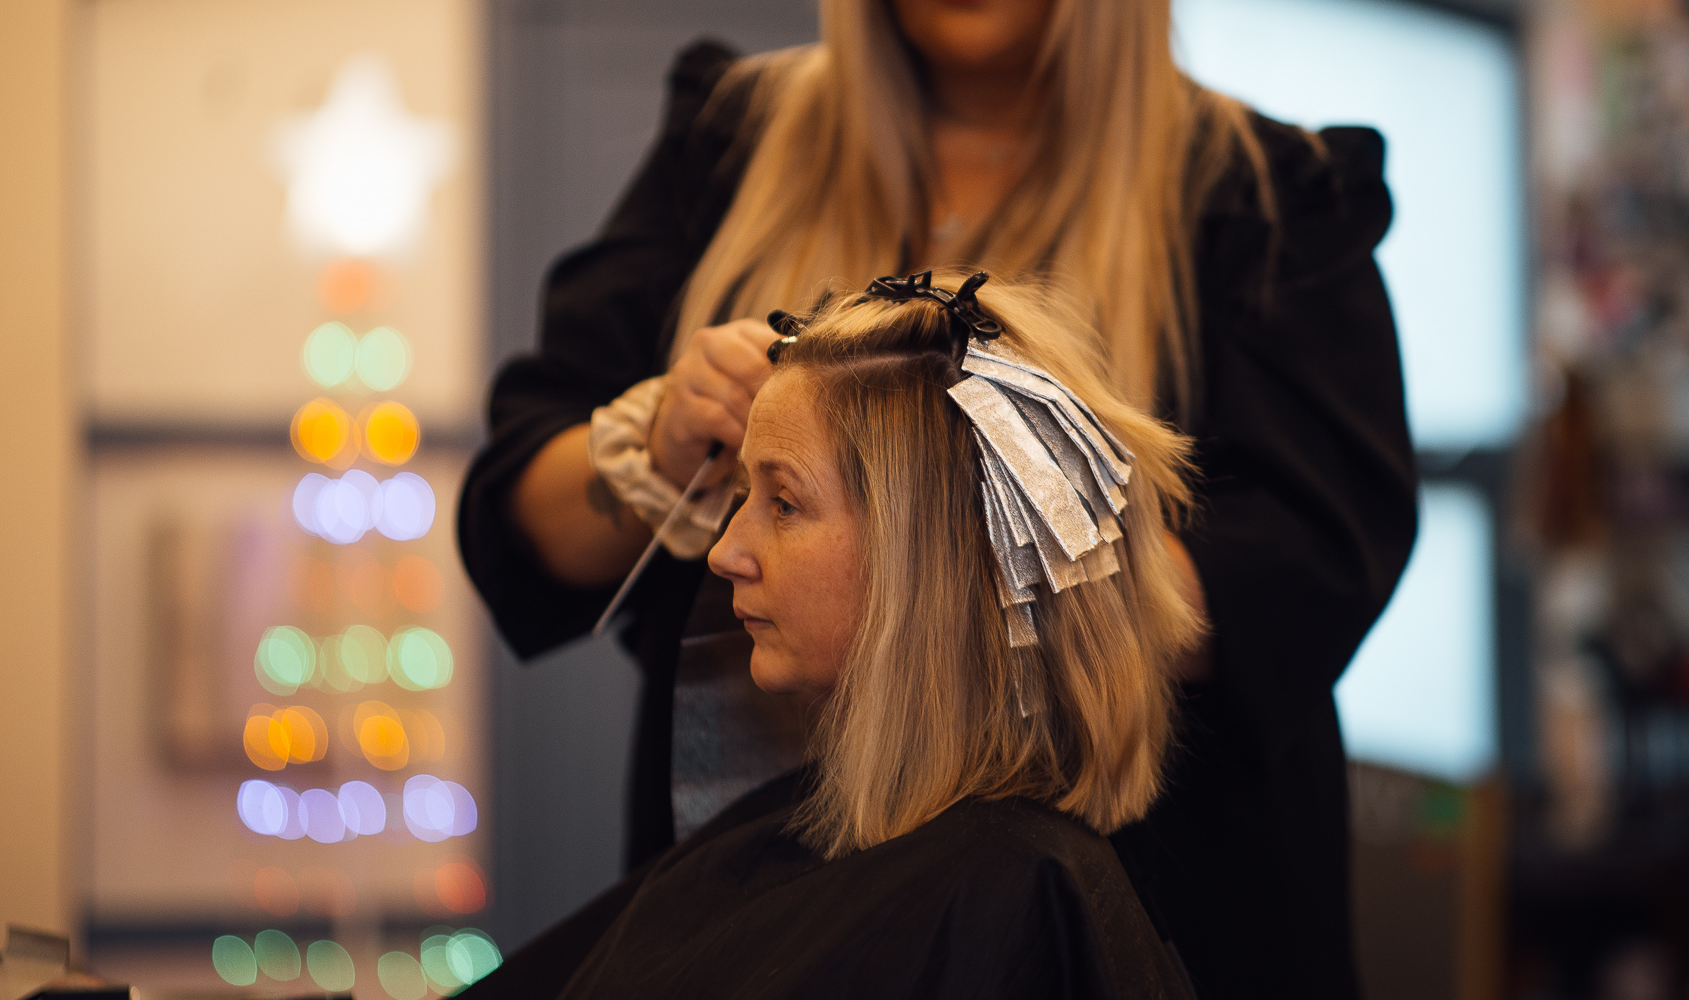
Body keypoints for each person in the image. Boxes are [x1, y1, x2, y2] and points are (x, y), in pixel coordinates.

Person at [459, 0, 1417, 1000]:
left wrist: (951, 569)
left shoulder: (1259, 200)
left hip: (1146, 894)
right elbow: (517, 520)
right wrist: (652, 443)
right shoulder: (732, 141)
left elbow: (1307, 564)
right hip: (770, 889)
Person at [475, 274, 1202, 1000]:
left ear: (930, 558)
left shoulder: (1009, 905)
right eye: (742, 498)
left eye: (783, 503)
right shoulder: (836, 845)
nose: (726, 552)